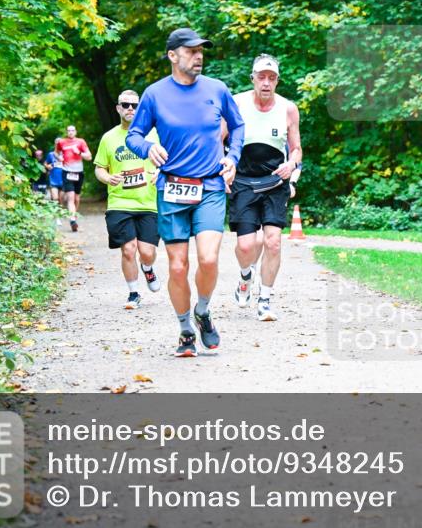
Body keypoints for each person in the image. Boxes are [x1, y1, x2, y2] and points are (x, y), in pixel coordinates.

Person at [126, 28, 244, 358]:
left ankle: (203, 312)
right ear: (173, 56)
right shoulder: (154, 94)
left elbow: (238, 126)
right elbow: (133, 136)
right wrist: (148, 147)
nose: (199, 56)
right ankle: (184, 329)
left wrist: (232, 158)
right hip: (173, 187)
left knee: (207, 259)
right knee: (177, 267)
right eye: (191, 51)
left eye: (201, 50)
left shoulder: (217, 90)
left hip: (210, 185)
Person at [228, 54, 302, 321]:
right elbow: (218, 139)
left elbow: (296, 150)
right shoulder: (236, 103)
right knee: (247, 246)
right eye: (262, 77)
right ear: (253, 79)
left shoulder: (288, 108)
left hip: (274, 182)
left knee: (272, 242)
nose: (266, 83)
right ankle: (245, 276)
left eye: (272, 78)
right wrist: (225, 168)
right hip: (243, 182)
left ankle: (266, 299)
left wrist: (291, 165)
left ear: (277, 81)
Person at [94, 90, 163, 310]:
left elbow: (167, 161)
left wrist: (159, 173)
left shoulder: (153, 135)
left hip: (148, 203)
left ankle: (148, 268)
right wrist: (108, 177)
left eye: (135, 105)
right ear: (118, 108)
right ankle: (133, 293)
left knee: (147, 252)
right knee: (128, 249)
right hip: (120, 203)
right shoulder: (109, 138)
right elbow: (99, 169)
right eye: (125, 105)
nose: (130, 108)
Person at [56, 126, 92, 231]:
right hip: (67, 172)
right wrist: (59, 158)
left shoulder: (81, 142)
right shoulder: (61, 142)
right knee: (70, 197)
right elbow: (56, 153)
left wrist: (79, 153)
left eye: (72, 130)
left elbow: (89, 157)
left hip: (78, 172)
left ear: (75, 132)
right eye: (68, 130)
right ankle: (72, 220)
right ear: (66, 132)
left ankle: (73, 216)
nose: (70, 132)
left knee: (76, 198)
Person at [46, 140, 65, 209]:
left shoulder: (65, 154)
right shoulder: (51, 154)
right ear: (55, 145)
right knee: (55, 198)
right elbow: (46, 163)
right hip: (53, 180)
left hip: (63, 180)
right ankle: (56, 216)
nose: (58, 145)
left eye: (60, 143)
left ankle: (60, 213)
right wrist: (48, 166)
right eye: (57, 143)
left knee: (61, 199)